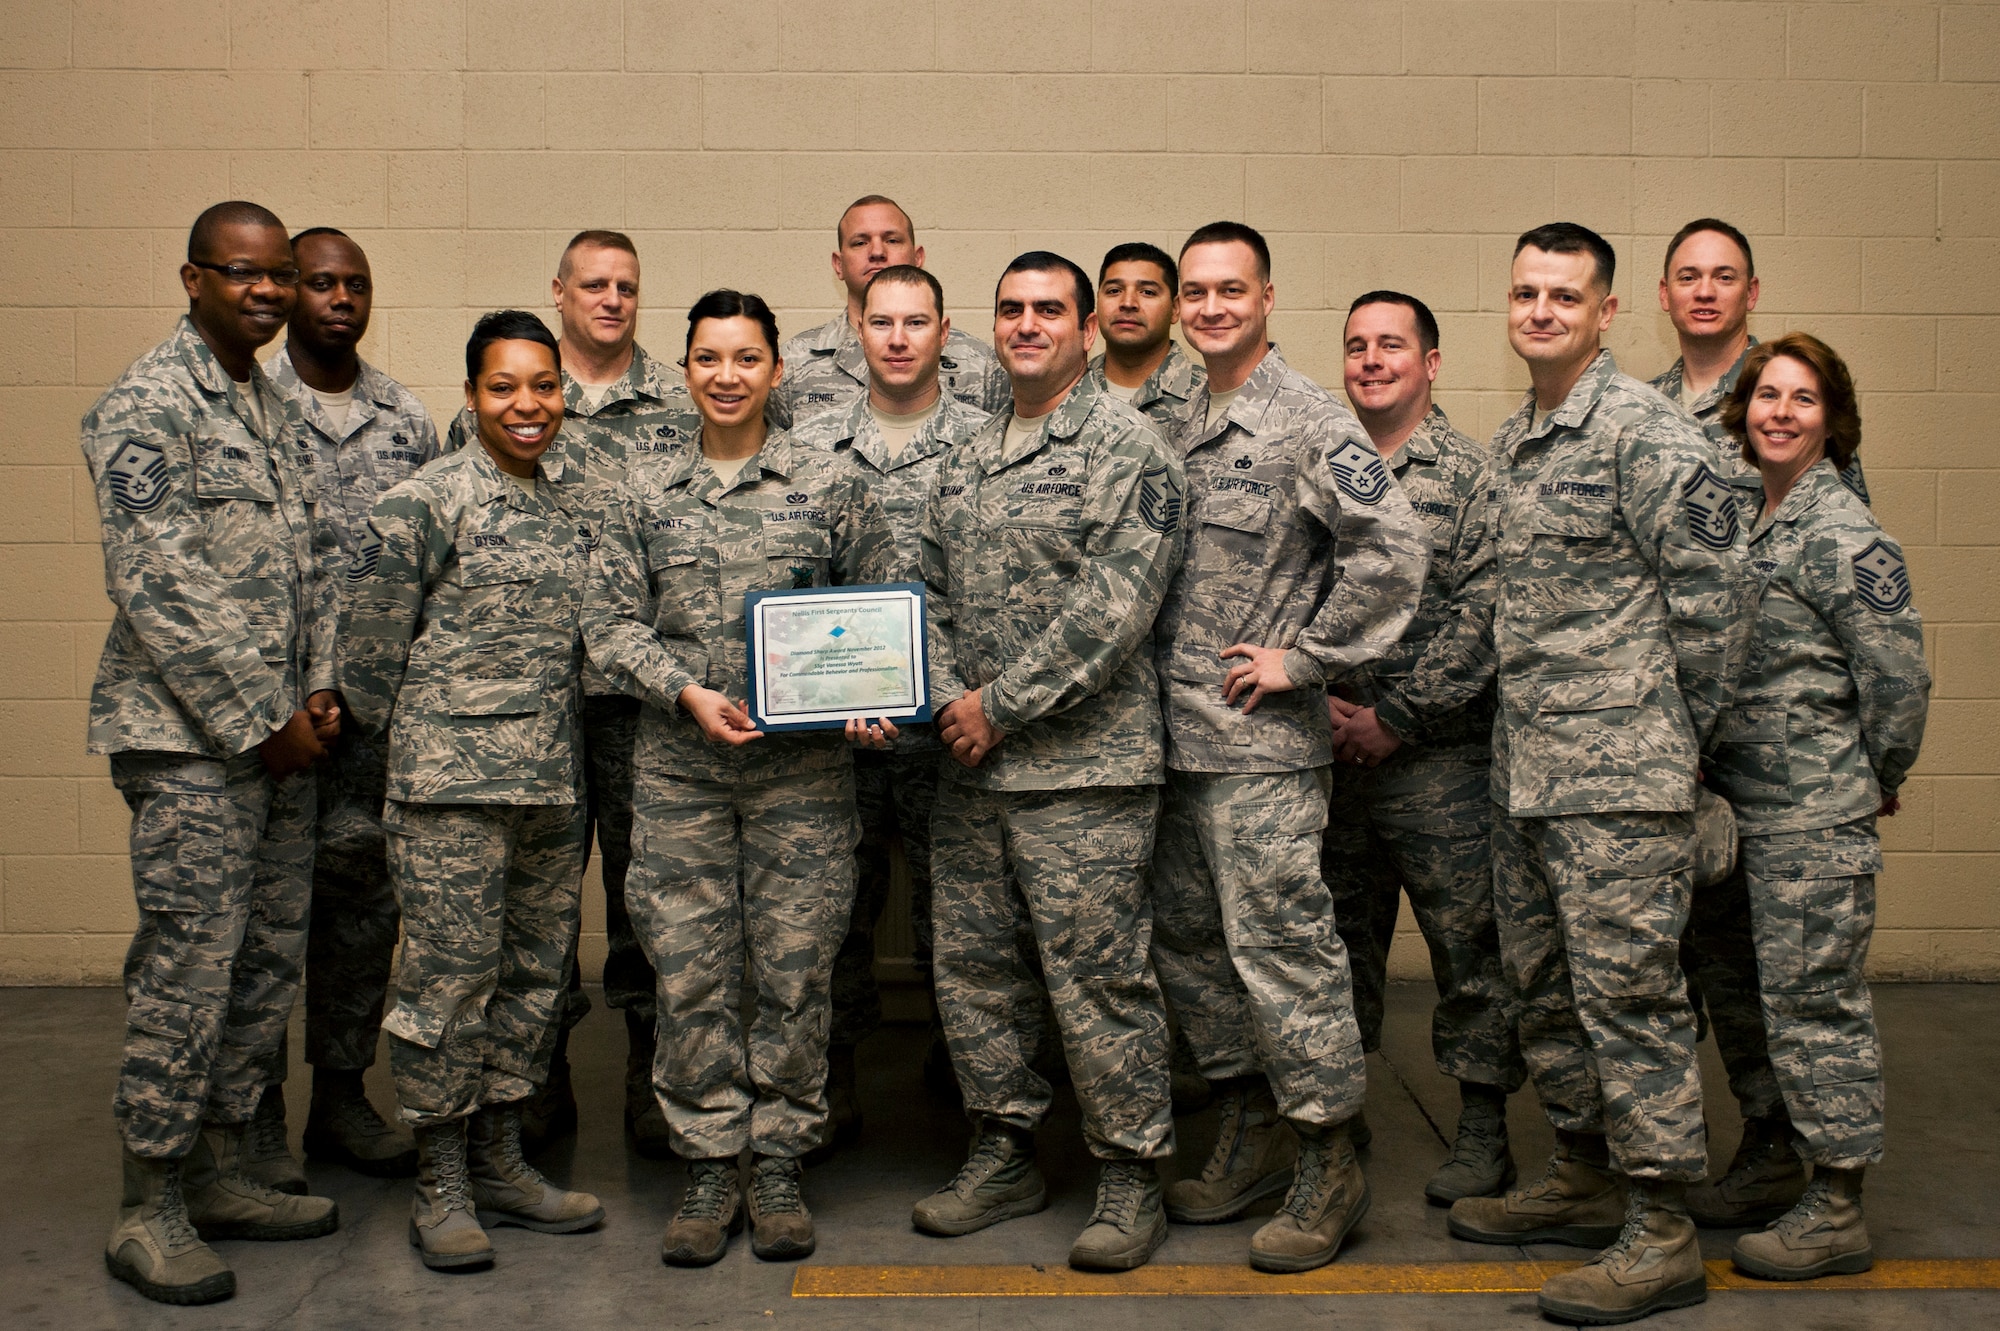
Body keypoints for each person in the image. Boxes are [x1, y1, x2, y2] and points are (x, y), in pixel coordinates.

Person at [1444, 223, 1753, 1326]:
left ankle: (1660, 1226)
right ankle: (1580, 1172)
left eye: (1561, 295)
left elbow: (1717, 602)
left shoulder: (1645, 433)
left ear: (1604, 310)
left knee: (1628, 994)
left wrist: (1674, 742)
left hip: (1618, 776)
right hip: (1524, 769)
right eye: (1524, 291)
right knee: (1542, 982)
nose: (1538, 310)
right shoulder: (1517, 436)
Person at [586, 290, 896, 1268]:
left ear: (774, 370)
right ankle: (709, 1158)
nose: (727, 375)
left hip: (802, 779)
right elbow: (607, 623)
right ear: (685, 369)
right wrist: (680, 690)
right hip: (678, 774)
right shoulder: (637, 489)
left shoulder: (829, 483)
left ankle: (777, 1158)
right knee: (689, 972)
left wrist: (871, 690)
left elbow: (884, 604)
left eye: (746, 357)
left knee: (796, 971)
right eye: (709, 357)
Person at [1145, 226, 1428, 1273]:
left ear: (1266, 296)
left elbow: (1392, 548)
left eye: (1231, 289)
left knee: (1281, 952)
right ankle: (1252, 1125)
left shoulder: (1308, 418)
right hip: (1165, 742)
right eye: (1196, 291)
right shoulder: (1169, 413)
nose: (1211, 306)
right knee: (1188, 949)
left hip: (1257, 749)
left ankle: (1326, 1153)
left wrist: (1303, 658)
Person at [910, 251, 1185, 1273]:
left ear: (1082, 329)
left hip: (1084, 772)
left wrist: (999, 706)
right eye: (1011, 309)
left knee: (1098, 978)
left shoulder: (1129, 447)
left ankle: (1128, 1170)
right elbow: (925, 591)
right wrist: (947, 699)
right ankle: (1004, 1147)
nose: (1027, 324)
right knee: (974, 971)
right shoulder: (967, 455)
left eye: (1048, 310)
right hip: (970, 768)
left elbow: (1114, 608)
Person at [88, 200, 341, 1306]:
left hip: (279, 739)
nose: (268, 291)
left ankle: (225, 1167)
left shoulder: (268, 405)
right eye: (242, 274)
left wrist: (319, 689)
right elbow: (161, 586)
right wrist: (261, 716)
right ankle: (149, 1201)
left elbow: (309, 558)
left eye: (279, 274)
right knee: (190, 969)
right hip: (191, 743)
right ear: (192, 278)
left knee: (261, 960)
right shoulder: (147, 405)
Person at [341, 310, 606, 1272]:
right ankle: (441, 1180)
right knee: (448, 984)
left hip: (547, 784)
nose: (527, 405)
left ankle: (501, 1159)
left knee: (537, 979)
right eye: (504, 386)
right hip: (449, 793)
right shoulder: (423, 503)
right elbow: (366, 652)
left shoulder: (577, 500)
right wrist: (413, 748)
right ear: (470, 394)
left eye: (543, 385)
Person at [444, 230, 700, 1158]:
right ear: (558, 290)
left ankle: (647, 1073)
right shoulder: (510, 395)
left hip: (642, 699)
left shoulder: (684, 398)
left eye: (627, 286)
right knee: (536, 899)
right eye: (593, 284)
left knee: (650, 893)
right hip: (533, 698)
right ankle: (531, 1078)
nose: (611, 300)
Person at [1700, 334, 1928, 1280]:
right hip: (1730, 813)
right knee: (1743, 999)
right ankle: (1768, 1159)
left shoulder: (1847, 534)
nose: (1779, 413)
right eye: (1765, 396)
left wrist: (1878, 770)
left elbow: (1899, 678)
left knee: (1814, 1004)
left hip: (1811, 815)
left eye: (1801, 399)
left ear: (1832, 419)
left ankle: (1836, 1200)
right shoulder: (1745, 517)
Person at [1321, 290, 1525, 1206]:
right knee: (1334, 945)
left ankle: (1482, 1129)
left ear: (1431, 363)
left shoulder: (1475, 476)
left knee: (1467, 949)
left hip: (1438, 759)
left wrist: (1394, 716)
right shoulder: (1318, 467)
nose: (1372, 360)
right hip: (1329, 753)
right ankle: (1340, 1120)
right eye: (1357, 345)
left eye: (1391, 345)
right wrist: (1329, 706)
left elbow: (1489, 614)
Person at [790, 265, 992, 1148]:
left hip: (955, 729)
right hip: (842, 732)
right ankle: (830, 1078)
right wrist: (828, 697)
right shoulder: (808, 442)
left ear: (945, 331)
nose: (899, 337)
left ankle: (972, 1075)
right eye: (882, 321)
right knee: (833, 913)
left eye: (917, 321)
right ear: (858, 330)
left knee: (969, 914)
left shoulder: (992, 442)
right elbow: (794, 583)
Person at [256, 226, 435, 1187]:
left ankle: (339, 1101)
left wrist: (364, 688)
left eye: (353, 284)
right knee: (264, 916)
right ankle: (245, 1122)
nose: (337, 298)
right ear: (291, 291)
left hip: (371, 717)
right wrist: (295, 690)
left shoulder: (403, 415)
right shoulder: (251, 407)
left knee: (364, 912)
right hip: (266, 718)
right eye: (319, 281)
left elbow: (421, 570)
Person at [1653, 218, 1869, 503]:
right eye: (1688, 277)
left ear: (1751, 293)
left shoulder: (1799, 403)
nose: (1705, 292)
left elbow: (1843, 529)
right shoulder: (1643, 407)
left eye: (1724, 277)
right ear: (1665, 294)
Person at [769, 194, 1008, 428]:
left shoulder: (978, 362)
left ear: (917, 258)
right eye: (860, 242)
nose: (877, 252)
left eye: (892, 240)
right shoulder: (794, 361)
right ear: (838, 265)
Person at [1090, 241, 1206, 433]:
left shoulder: (1208, 396)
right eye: (1114, 291)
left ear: (1175, 308)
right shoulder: (1071, 391)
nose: (1128, 303)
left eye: (1147, 292)